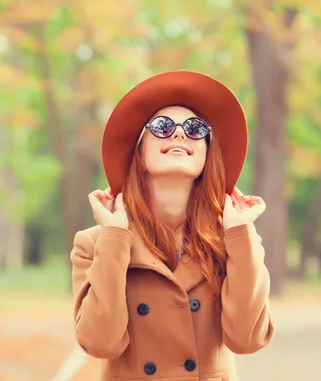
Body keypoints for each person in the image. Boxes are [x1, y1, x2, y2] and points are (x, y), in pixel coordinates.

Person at [70, 71, 275, 380]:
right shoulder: (94, 243)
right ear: (138, 151)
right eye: (162, 127)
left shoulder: (233, 241)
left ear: (208, 154)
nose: (179, 135)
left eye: (195, 129)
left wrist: (240, 233)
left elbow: (247, 340)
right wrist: (115, 237)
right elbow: (101, 343)